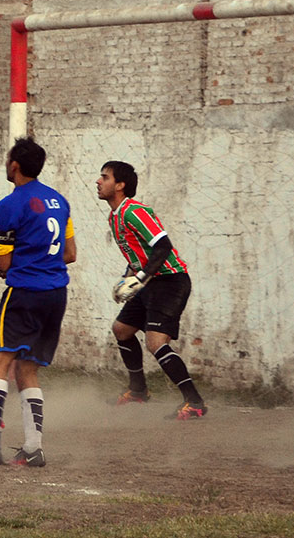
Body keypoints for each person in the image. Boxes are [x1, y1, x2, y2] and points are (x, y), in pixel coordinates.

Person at [0, 138, 76, 468]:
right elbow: (70, 253)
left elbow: (4, 265)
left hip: (24, 291)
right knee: (27, 368)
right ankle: (33, 448)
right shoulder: (60, 201)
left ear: (15, 166)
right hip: (56, 294)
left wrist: (17, 263)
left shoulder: (10, 205)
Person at [96, 161, 207, 420]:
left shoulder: (135, 211)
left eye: (105, 177)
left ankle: (195, 402)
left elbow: (163, 247)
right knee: (121, 330)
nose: (98, 182)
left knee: (156, 342)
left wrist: (141, 277)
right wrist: (129, 276)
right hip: (149, 282)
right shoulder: (115, 216)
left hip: (171, 281)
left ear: (120, 185)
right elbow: (139, 252)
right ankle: (138, 391)